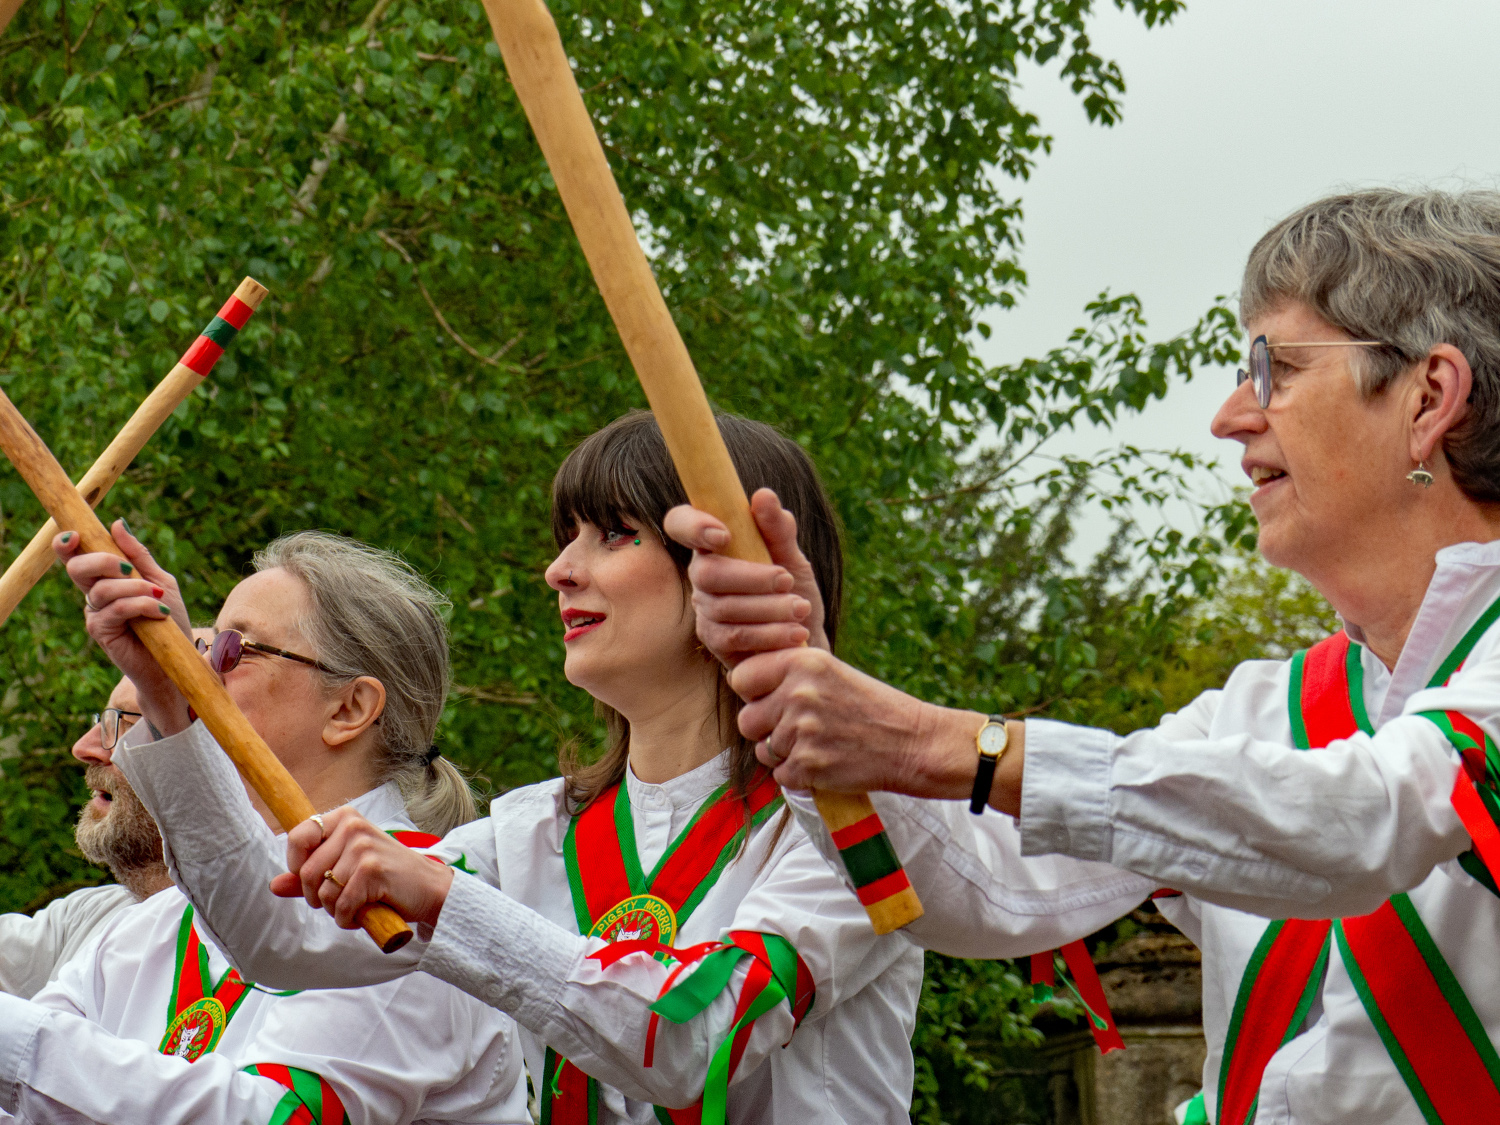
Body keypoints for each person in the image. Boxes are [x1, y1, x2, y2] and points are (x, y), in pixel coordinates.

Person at [664, 189, 1500, 1125]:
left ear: (1430, 396)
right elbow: (990, 891)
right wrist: (810, 690)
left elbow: (1365, 822)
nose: (1230, 417)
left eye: (1276, 367)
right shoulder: (1262, 709)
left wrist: (939, 742)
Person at [93, 412, 936, 1125]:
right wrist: (171, 702)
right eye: (565, 537)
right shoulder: (535, 831)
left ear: (740, 568)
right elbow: (276, 939)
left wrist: (449, 907)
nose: (559, 569)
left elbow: (695, 1036)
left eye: (614, 534)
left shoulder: (850, 816)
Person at [0, 529, 531, 1125]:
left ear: (349, 709)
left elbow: (268, 1116)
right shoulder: (151, 925)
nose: (196, 673)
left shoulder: (417, 914)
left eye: (233, 649)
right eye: (199, 647)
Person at [0, 673, 169, 999]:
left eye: (127, 725)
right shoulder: (90, 916)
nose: (83, 747)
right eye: (103, 720)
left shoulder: (278, 945)